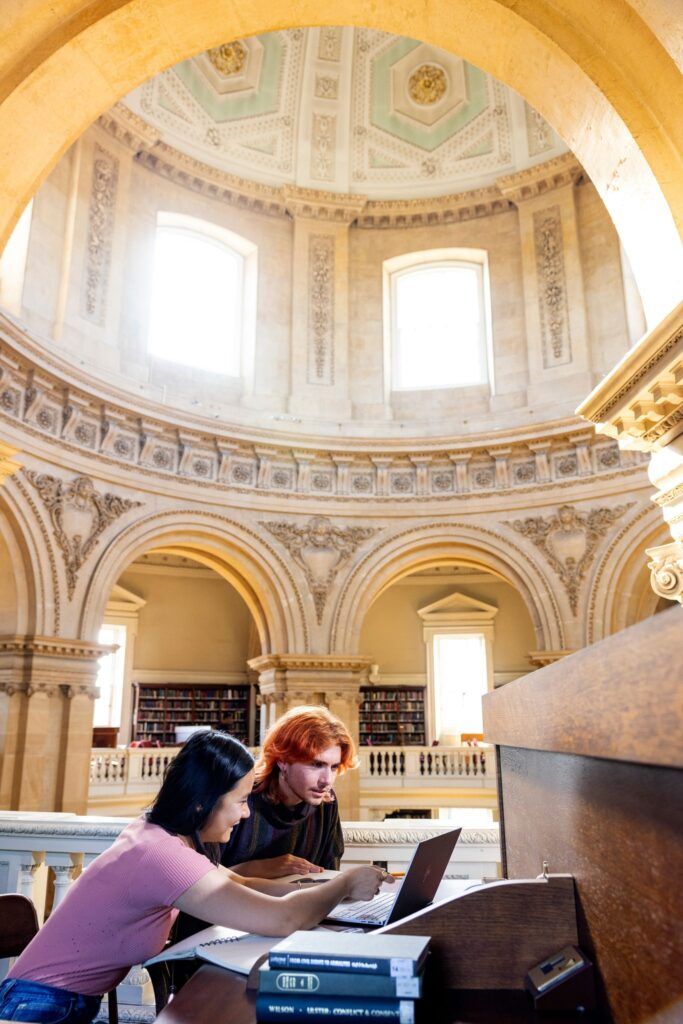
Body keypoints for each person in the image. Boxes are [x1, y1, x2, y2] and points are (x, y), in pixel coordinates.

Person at [0, 730, 388, 1024]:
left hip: (54, 999)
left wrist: (321, 887)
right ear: (203, 803)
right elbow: (280, 919)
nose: (246, 814)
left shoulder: (162, 835)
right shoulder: (164, 856)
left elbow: (241, 885)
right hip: (40, 1006)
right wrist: (344, 884)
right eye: (239, 802)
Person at [224, 705, 354, 878]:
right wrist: (259, 869)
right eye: (316, 765)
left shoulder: (326, 802)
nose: (327, 781)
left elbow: (328, 875)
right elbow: (199, 879)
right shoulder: (241, 794)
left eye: (334, 767)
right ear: (283, 761)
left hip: (303, 903)